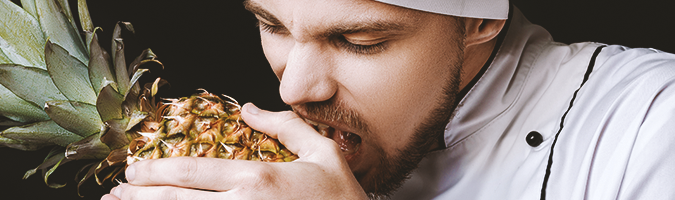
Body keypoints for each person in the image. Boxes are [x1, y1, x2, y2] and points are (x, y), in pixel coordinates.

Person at [102, 0, 675, 199]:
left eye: (358, 41)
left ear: (477, 20)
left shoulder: (649, 122)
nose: (293, 88)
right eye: (271, 25)